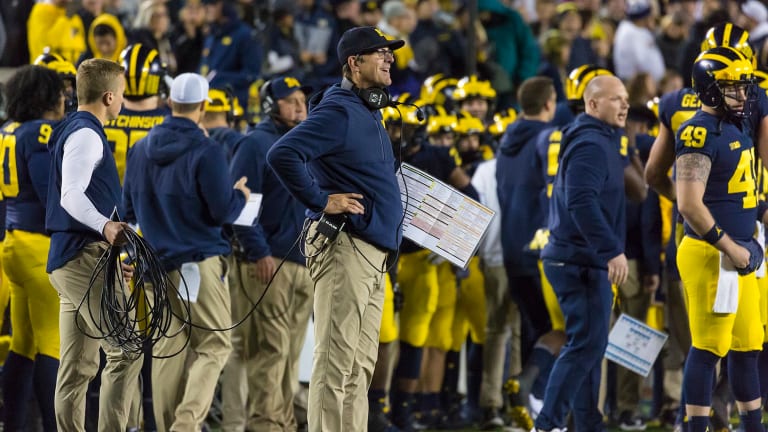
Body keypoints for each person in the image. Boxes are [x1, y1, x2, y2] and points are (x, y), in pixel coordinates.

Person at [267, 26, 404, 431]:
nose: (389, 59)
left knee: (359, 366)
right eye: (378, 53)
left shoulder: (365, 111)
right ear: (353, 63)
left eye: (390, 54)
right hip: (347, 247)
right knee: (335, 362)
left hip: (371, 252)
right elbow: (284, 152)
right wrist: (322, 200)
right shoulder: (340, 109)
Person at [121, 72, 249, 432]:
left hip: (153, 265)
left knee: (167, 350)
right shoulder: (206, 149)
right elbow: (222, 211)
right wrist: (240, 194)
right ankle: (185, 425)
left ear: (169, 103)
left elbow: (127, 211)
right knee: (215, 346)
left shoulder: (141, 147)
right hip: (197, 263)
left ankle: (165, 427)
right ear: (204, 107)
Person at [45, 58, 140, 432]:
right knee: (127, 349)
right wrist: (106, 228)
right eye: (123, 94)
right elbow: (71, 195)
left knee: (79, 365)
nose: (124, 101)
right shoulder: (87, 133)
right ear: (109, 96)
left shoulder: (72, 126)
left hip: (74, 259)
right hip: (83, 256)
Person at [675, 46, 765, 432]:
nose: (742, 96)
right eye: (732, 88)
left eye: (744, 87)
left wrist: (754, 232)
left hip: (741, 252)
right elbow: (689, 205)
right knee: (708, 348)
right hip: (712, 253)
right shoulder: (699, 130)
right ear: (709, 88)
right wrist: (731, 247)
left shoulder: (734, 127)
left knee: (748, 347)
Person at [533, 75, 630, 432]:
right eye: (616, 98)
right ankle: (547, 424)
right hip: (580, 259)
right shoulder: (591, 142)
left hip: (577, 256)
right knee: (585, 345)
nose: (625, 105)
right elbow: (581, 200)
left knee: (589, 344)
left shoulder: (596, 137)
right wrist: (610, 251)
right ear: (592, 104)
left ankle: (589, 424)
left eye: (626, 98)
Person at [228, 75, 313, 431]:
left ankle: (282, 422)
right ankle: (265, 423)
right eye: (289, 100)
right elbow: (240, 207)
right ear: (269, 105)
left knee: (291, 356)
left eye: (302, 99)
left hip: (302, 262)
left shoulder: (305, 145)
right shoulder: (256, 144)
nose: (299, 105)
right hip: (269, 262)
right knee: (271, 351)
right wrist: (260, 252)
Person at [0, 65, 65, 432]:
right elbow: (49, 194)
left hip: (13, 241)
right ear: (45, 97)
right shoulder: (38, 132)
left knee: (22, 344)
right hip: (39, 245)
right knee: (52, 344)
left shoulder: (7, 130)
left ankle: (13, 424)